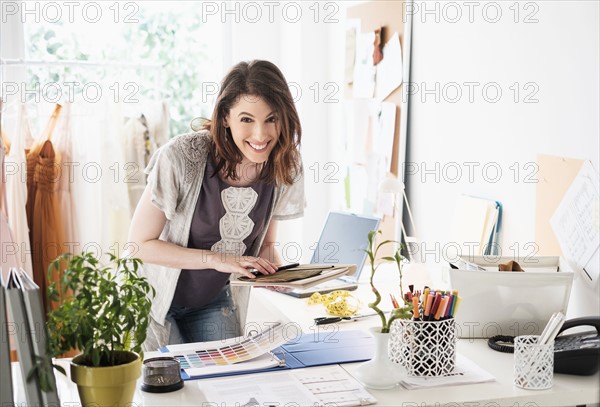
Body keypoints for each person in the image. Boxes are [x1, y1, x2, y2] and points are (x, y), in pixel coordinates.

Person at [128, 60, 304, 349]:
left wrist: (283, 277)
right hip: (155, 301)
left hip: (212, 301)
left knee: (228, 385)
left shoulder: (285, 164)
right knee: (168, 389)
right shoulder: (181, 157)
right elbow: (139, 245)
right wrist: (217, 259)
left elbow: (267, 245)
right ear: (225, 118)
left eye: (271, 119)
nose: (261, 135)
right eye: (247, 120)